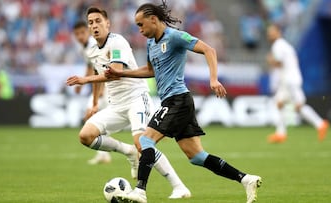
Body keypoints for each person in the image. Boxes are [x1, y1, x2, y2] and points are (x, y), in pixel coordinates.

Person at [105, 1, 262, 203]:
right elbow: (150, 71)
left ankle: (140, 191)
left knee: (145, 140)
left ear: (153, 19)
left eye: (141, 24)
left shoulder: (175, 37)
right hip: (175, 102)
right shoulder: (151, 43)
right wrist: (122, 73)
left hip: (177, 100)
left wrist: (213, 79)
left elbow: (209, 50)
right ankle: (245, 179)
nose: (140, 30)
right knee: (197, 156)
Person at [66, 7, 191, 199]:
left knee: (143, 143)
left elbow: (114, 73)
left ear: (107, 23)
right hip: (115, 105)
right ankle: (127, 151)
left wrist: (85, 80)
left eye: (98, 21)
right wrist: (94, 104)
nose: (94, 25)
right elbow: (97, 74)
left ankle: (179, 186)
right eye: (90, 22)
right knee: (85, 136)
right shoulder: (91, 51)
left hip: (136, 99)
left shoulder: (117, 42)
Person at [266, 24, 329, 143]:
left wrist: (270, 60)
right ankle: (281, 133)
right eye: (268, 32)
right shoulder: (285, 45)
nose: (269, 35)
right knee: (279, 102)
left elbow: (279, 63)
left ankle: (320, 124)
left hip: (290, 80)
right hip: (289, 79)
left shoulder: (278, 46)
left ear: (278, 32)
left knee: (299, 106)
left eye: (272, 32)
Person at [72, 21, 111, 164]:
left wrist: (101, 89)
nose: (80, 36)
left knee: (92, 116)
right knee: (95, 119)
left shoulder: (93, 45)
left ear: (87, 32)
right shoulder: (84, 48)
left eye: (82, 33)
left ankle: (110, 152)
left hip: (107, 87)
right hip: (101, 86)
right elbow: (91, 67)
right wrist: (81, 84)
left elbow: (103, 68)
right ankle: (103, 154)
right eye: (77, 34)